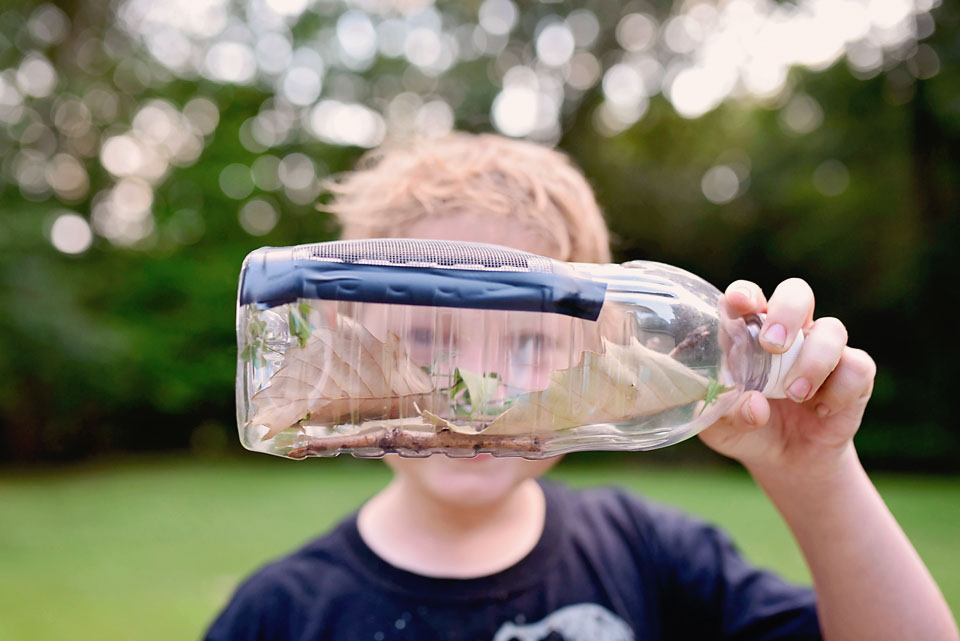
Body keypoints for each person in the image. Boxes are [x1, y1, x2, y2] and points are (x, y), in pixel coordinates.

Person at [206, 133, 958, 641]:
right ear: (344, 355)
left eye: (528, 339)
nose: (477, 393)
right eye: (428, 341)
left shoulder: (653, 555)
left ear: (606, 364)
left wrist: (816, 475)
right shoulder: (278, 613)